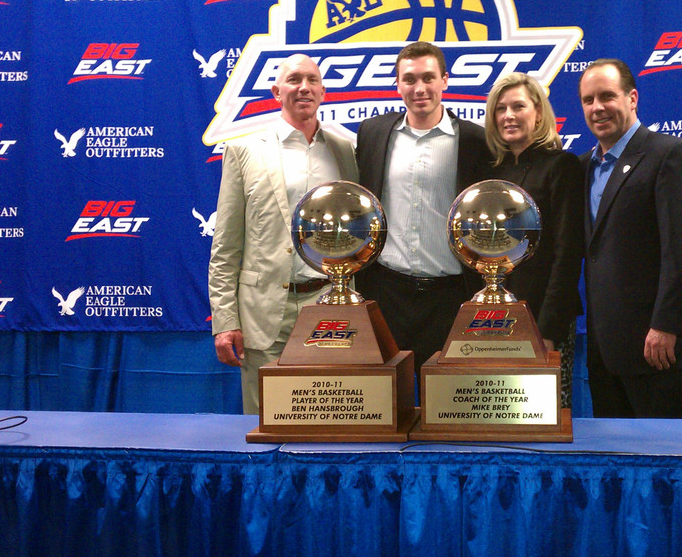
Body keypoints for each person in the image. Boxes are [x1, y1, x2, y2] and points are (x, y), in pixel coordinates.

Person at [208, 54, 358, 414]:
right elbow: (226, 246)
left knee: (329, 420)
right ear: (276, 91)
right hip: (263, 314)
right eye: (293, 80)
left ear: (323, 91)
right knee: (265, 426)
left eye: (311, 80)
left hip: (328, 304)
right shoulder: (244, 150)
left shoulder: (346, 151)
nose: (303, 87)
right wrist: (225, 321)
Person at [578, 58, 682, 418]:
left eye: (607, 96)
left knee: (672, 464)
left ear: (632, 98)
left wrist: (666, 325)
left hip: (658, 349)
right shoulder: (582, 167)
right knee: (615, 465)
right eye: (588, 100)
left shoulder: (670, 155)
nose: (597, 108)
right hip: (605, 353)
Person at [354, 41, 492, 368]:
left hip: (452, 294)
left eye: (428, 78)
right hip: (386, 291)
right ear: (398, 84)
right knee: (387, 406)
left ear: (445, 80)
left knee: (448, 407)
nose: (420, 88)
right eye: (410, 79)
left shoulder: (475, 140)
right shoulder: (373, 133)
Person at [484, 72, 584, 408]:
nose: (508, 115)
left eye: (518, 106)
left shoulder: (562, 166)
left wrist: (549, 329)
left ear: (538, 113)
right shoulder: (492, 173)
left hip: (544, 314)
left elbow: (568, 253)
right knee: (501, 409)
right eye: (500, 109)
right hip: (496, 316)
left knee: (547, 410)